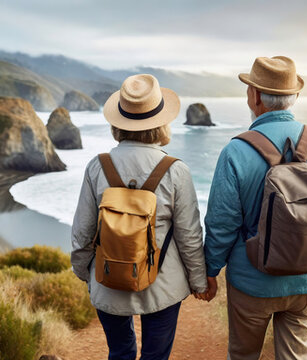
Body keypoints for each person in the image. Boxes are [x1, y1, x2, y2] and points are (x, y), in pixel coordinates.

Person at [202, 56, 307, 360]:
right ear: (294, 97)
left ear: (255, 96)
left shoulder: (236, 151)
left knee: (243, 355)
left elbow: (222, 223)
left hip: (252, 281)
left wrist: (210, 270)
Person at [70, 74, 208, 360]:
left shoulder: (98, 167)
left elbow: (82, 231)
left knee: (120, 351)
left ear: (117, 122)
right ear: (161, 122)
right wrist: (199, 281)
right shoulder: (175, 170)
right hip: (162, 286)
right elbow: (189, 236)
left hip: (107, 278)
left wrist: (84, 271)